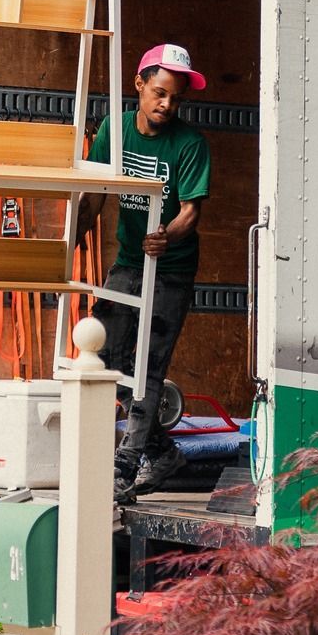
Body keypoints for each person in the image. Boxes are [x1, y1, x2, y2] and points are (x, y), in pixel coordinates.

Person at [76, 44, 211, 502]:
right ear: (139, 84)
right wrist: (69, 244)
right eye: (159, 93)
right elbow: (95, 194)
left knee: (149, 367)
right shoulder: (114, 130)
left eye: (174, 98)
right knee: (106, 356)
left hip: (170, 268)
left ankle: (124, 465)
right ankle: (163, 452)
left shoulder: (189, 144)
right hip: (129, 262)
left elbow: (190, 212)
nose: (167, 105)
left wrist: (166, 237)